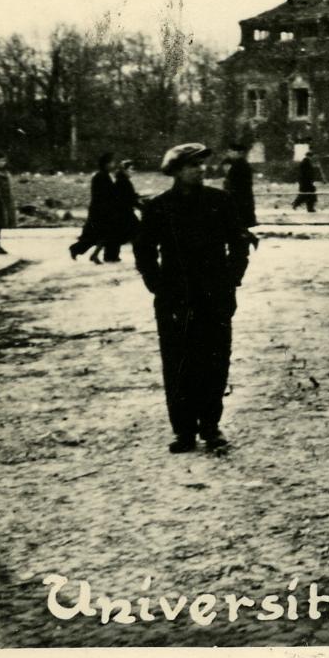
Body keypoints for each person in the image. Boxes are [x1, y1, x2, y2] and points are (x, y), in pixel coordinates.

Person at [133, 143, 255, 454]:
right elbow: (144, 251)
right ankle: (184, 431)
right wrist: (158, 287)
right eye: (192, 166)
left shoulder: (221, 201)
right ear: (174, 171)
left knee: (215, 361)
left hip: (215, 295)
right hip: (175, 299)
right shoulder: (159, 208)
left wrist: (231, 280)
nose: (200, 170)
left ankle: (211, 426)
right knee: (178, 364)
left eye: (202, 165)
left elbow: (240, 243)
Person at [70, 153, 116, 263]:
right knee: (96, 234)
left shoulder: (103, 176)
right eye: (111, 162)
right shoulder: (101, 176)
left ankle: (94, 254)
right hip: (100, 210)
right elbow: (103, 194)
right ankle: (76, 249)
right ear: (105, 164)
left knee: (103, 234)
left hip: (102, 209)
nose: (113, 165)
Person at [100, 159, 142, 263]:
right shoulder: (124, 182)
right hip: (124, 213)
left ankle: (110, 256)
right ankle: (141, 257)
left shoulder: (120, 180)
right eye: (131, 169)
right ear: (124, 170)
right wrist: (143, 206)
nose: (133, 171)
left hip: (118, 212)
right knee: (138, 234)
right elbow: (129, 198)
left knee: (115, 236)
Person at [223, 143, 257, 229]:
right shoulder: (238, 164)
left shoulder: (240, 165)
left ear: (239, 153)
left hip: (239, 200)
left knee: (239, 226)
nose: (229, 153)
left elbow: (237, 185)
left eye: (231, 151)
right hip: (241, 200)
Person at [0, 155, 16, 255]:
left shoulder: (7, 173)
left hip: (5, 202)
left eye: (3, 161)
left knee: (0, 224)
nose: (2, 163)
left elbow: (9, 189)